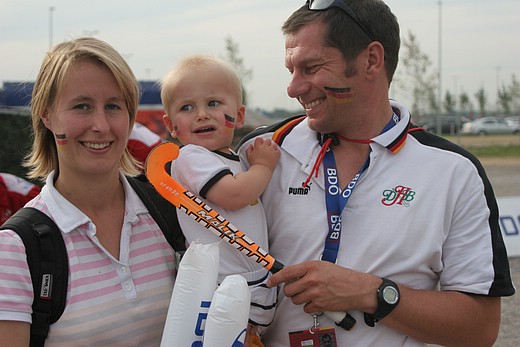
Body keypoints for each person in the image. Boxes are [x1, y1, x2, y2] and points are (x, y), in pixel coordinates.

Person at [237, 1, 515, 346]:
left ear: (371, 60)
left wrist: (371, 292)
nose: (293, 88)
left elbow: (479, 328)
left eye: (310, 68)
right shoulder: (262, 151)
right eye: (291, 70)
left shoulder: (453, 170)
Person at [0, 37, 181, 346]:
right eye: (81, 106)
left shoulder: (172, 209)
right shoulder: (16, 249)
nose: (100, 125)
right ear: (46, 114)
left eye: (113, 106)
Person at [160, 55, 280, 331]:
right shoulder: (191, 157)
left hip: (252, 283)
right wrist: (263, 165)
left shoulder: (232, 160)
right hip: (224, 288)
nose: (201, 114)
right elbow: (234, 195)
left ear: (238, 116)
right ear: (172, 126)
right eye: (187, 107)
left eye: (213, 103)